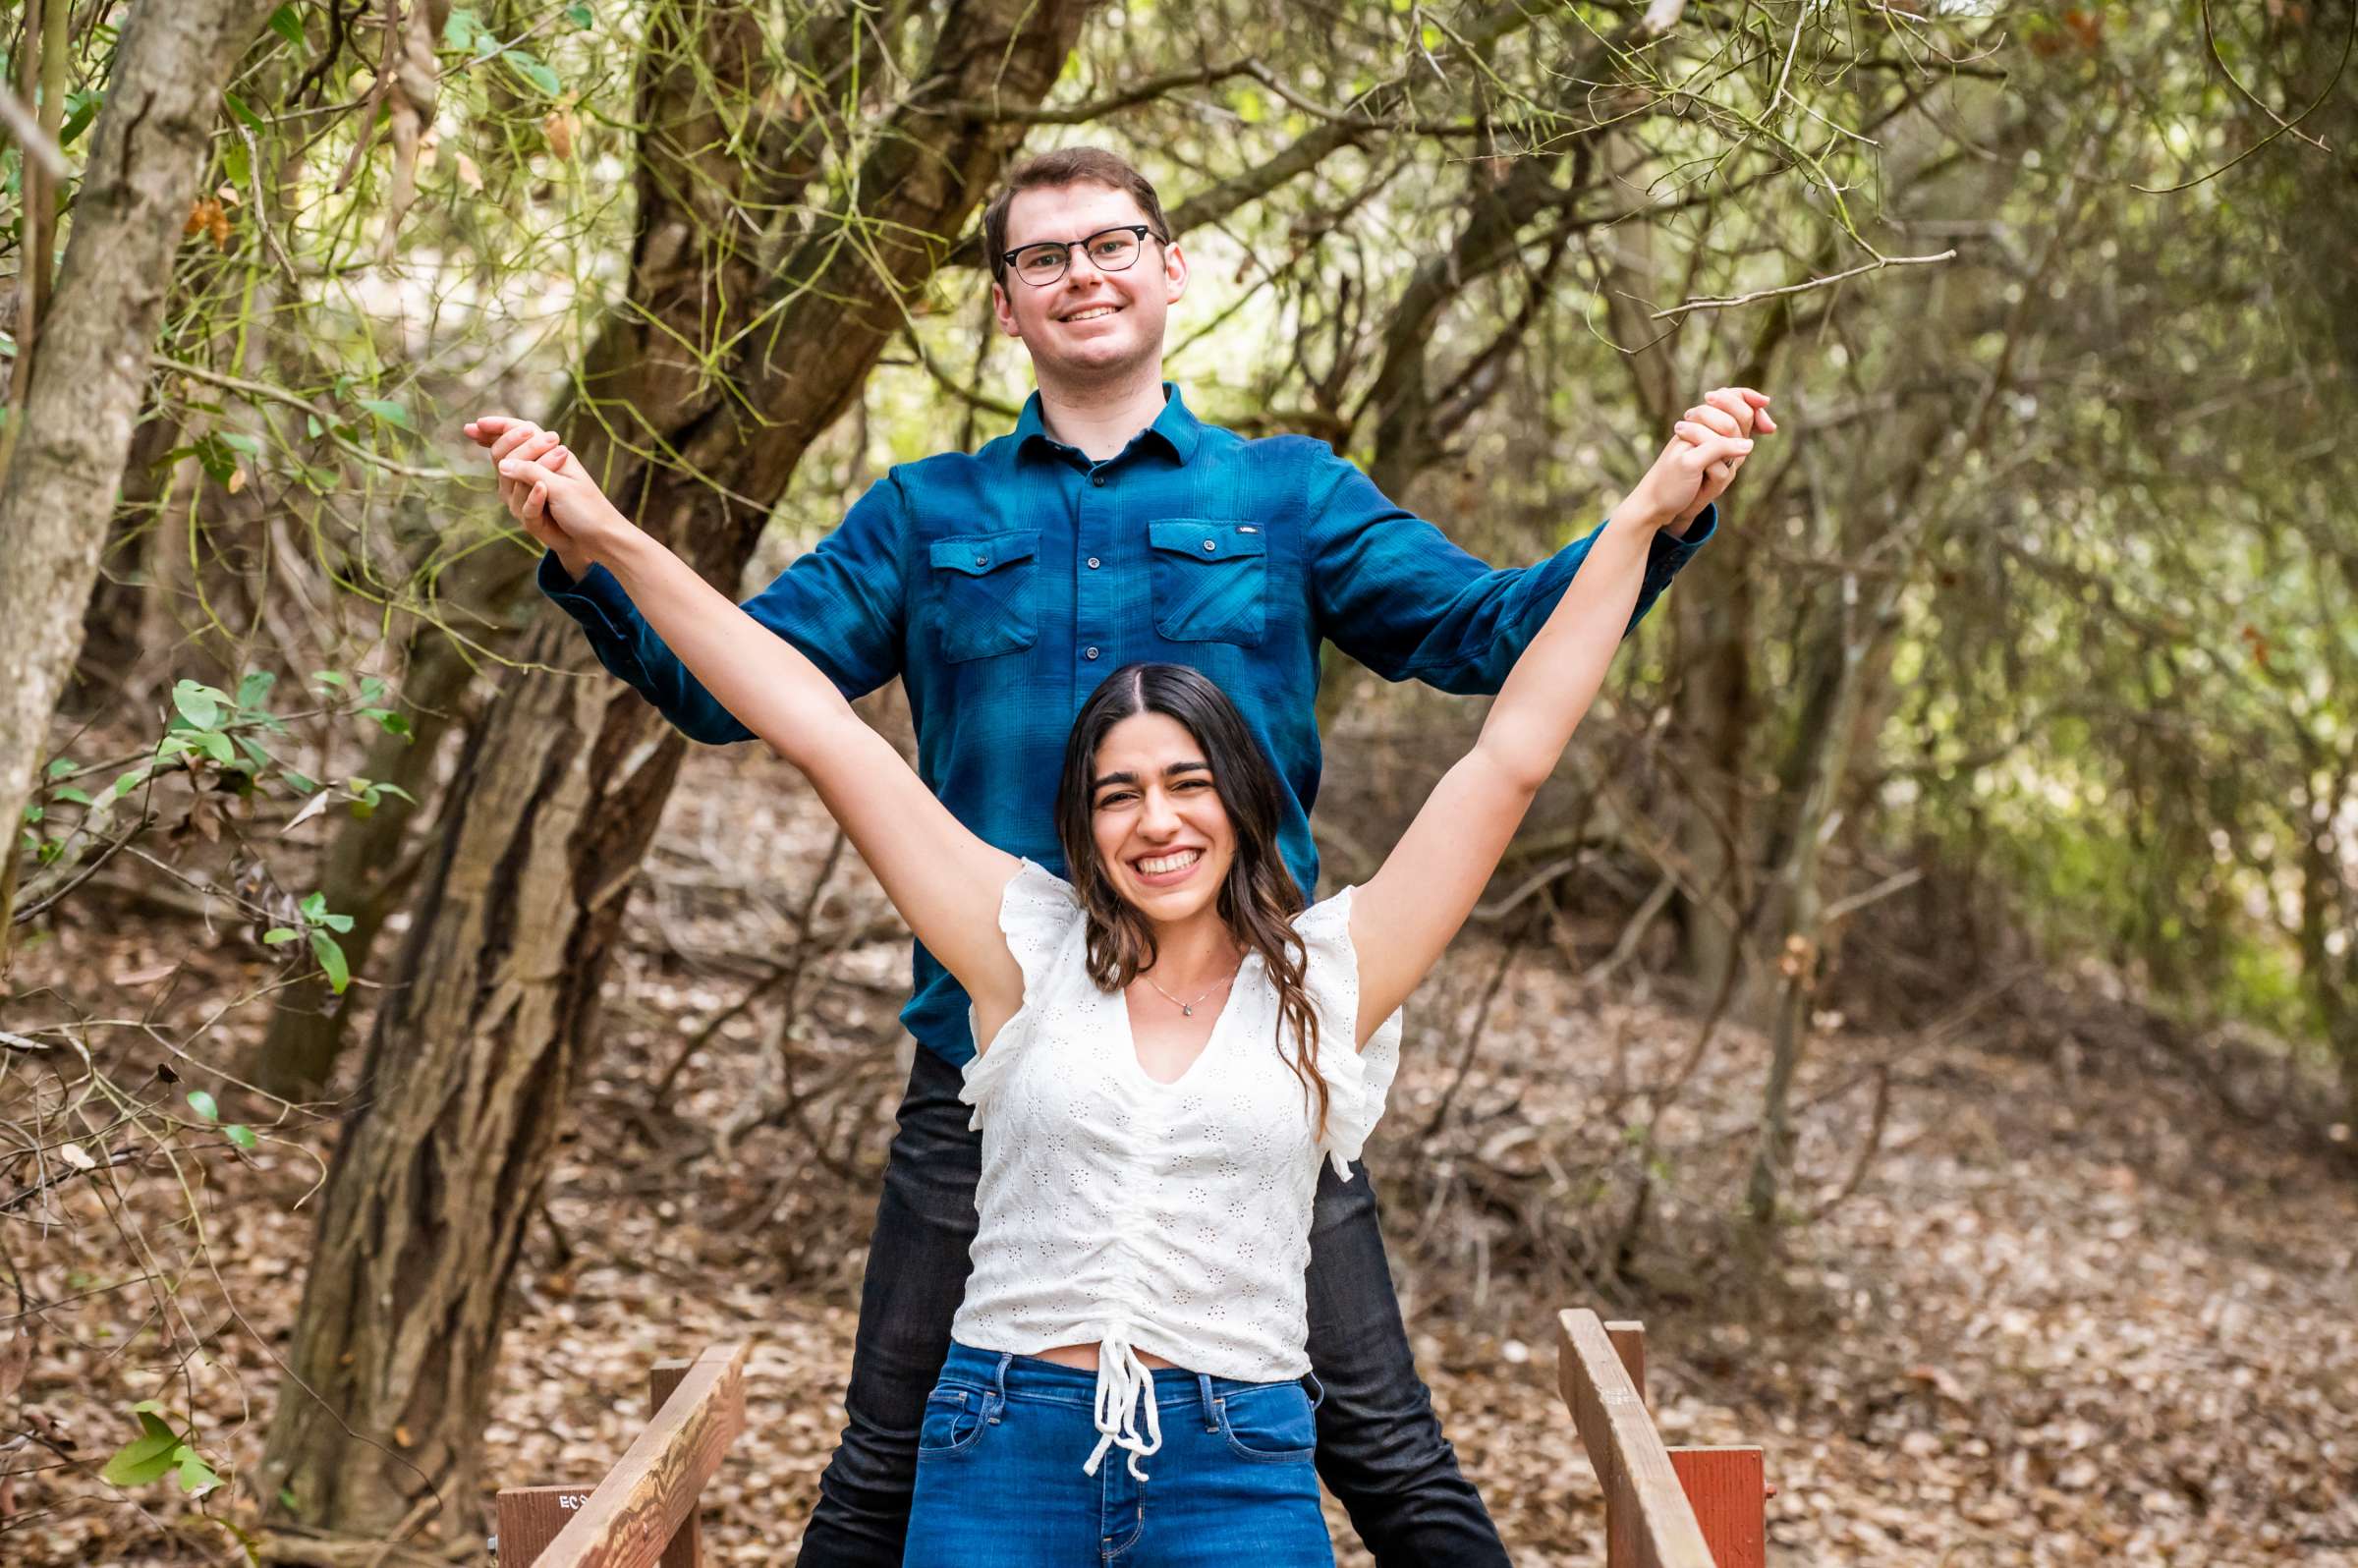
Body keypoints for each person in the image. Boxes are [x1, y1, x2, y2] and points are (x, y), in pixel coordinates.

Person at [466, 145, 1771, 1566]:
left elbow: (1492, 649)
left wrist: (1656, 516)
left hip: (1252, 1056)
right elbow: (755, 693)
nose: (1082, 273)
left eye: (1111, 244)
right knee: (884, 1463)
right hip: (999, 1048)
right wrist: (594, 546)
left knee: (1387, 1450)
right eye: (1043, 258)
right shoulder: (926, 515)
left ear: (1169, 268)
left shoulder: (1288, 497)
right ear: (1003, 307)